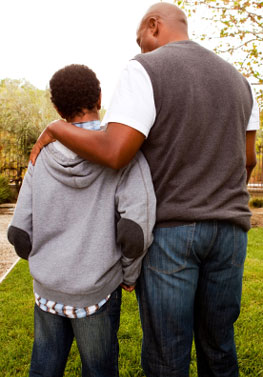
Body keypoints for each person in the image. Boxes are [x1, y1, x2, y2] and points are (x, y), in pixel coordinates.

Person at [29, 3, 260, 377]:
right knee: (219, 347)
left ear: (154, 26)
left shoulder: (146, 70)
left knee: (168, 353)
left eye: (141, 41)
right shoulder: (240, 80)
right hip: (232, 233)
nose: (140, 50)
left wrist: (57, 129)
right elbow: (247, 160)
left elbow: (116, 152)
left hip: (173, 232)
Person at [7, 64, 156, 377]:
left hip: (47, 292)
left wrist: (49, 265)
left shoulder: (41, 154)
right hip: (97, 292)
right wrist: (129, 275)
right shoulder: (123, 153)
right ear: (100, 98)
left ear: (57, 108)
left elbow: (20, 234)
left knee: (43, 369)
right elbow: (135, 230)